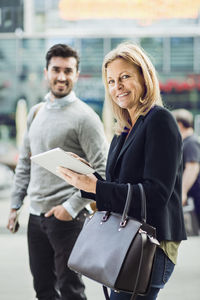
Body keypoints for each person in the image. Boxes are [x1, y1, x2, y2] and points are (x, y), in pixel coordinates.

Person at [57, 42, 187, 300]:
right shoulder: (124, 130)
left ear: (144, 76)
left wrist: (96, 186)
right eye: (112, 81)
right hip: (123, 244)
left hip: (150, 246)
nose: (118, 86)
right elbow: (117, 186)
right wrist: (86, 178)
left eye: (125, 77)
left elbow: (156, 194)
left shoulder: (159, 121)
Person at [7, 44, 108, 300]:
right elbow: (25, 163)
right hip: (35, 217)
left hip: (68, 220)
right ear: (46, 72)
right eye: (56, 70)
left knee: (71, 291)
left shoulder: (85, 117)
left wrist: (71, 208)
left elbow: (104, 171)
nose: (61, 76)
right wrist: (15, 204)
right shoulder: (35, 113)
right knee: (43, 291)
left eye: (68, 70)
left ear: (77, 74)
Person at [172, 108, 200, 229]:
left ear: (179, 124)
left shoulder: (191, 142)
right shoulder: (188, 142)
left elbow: (192, 168)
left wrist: (182, 192)